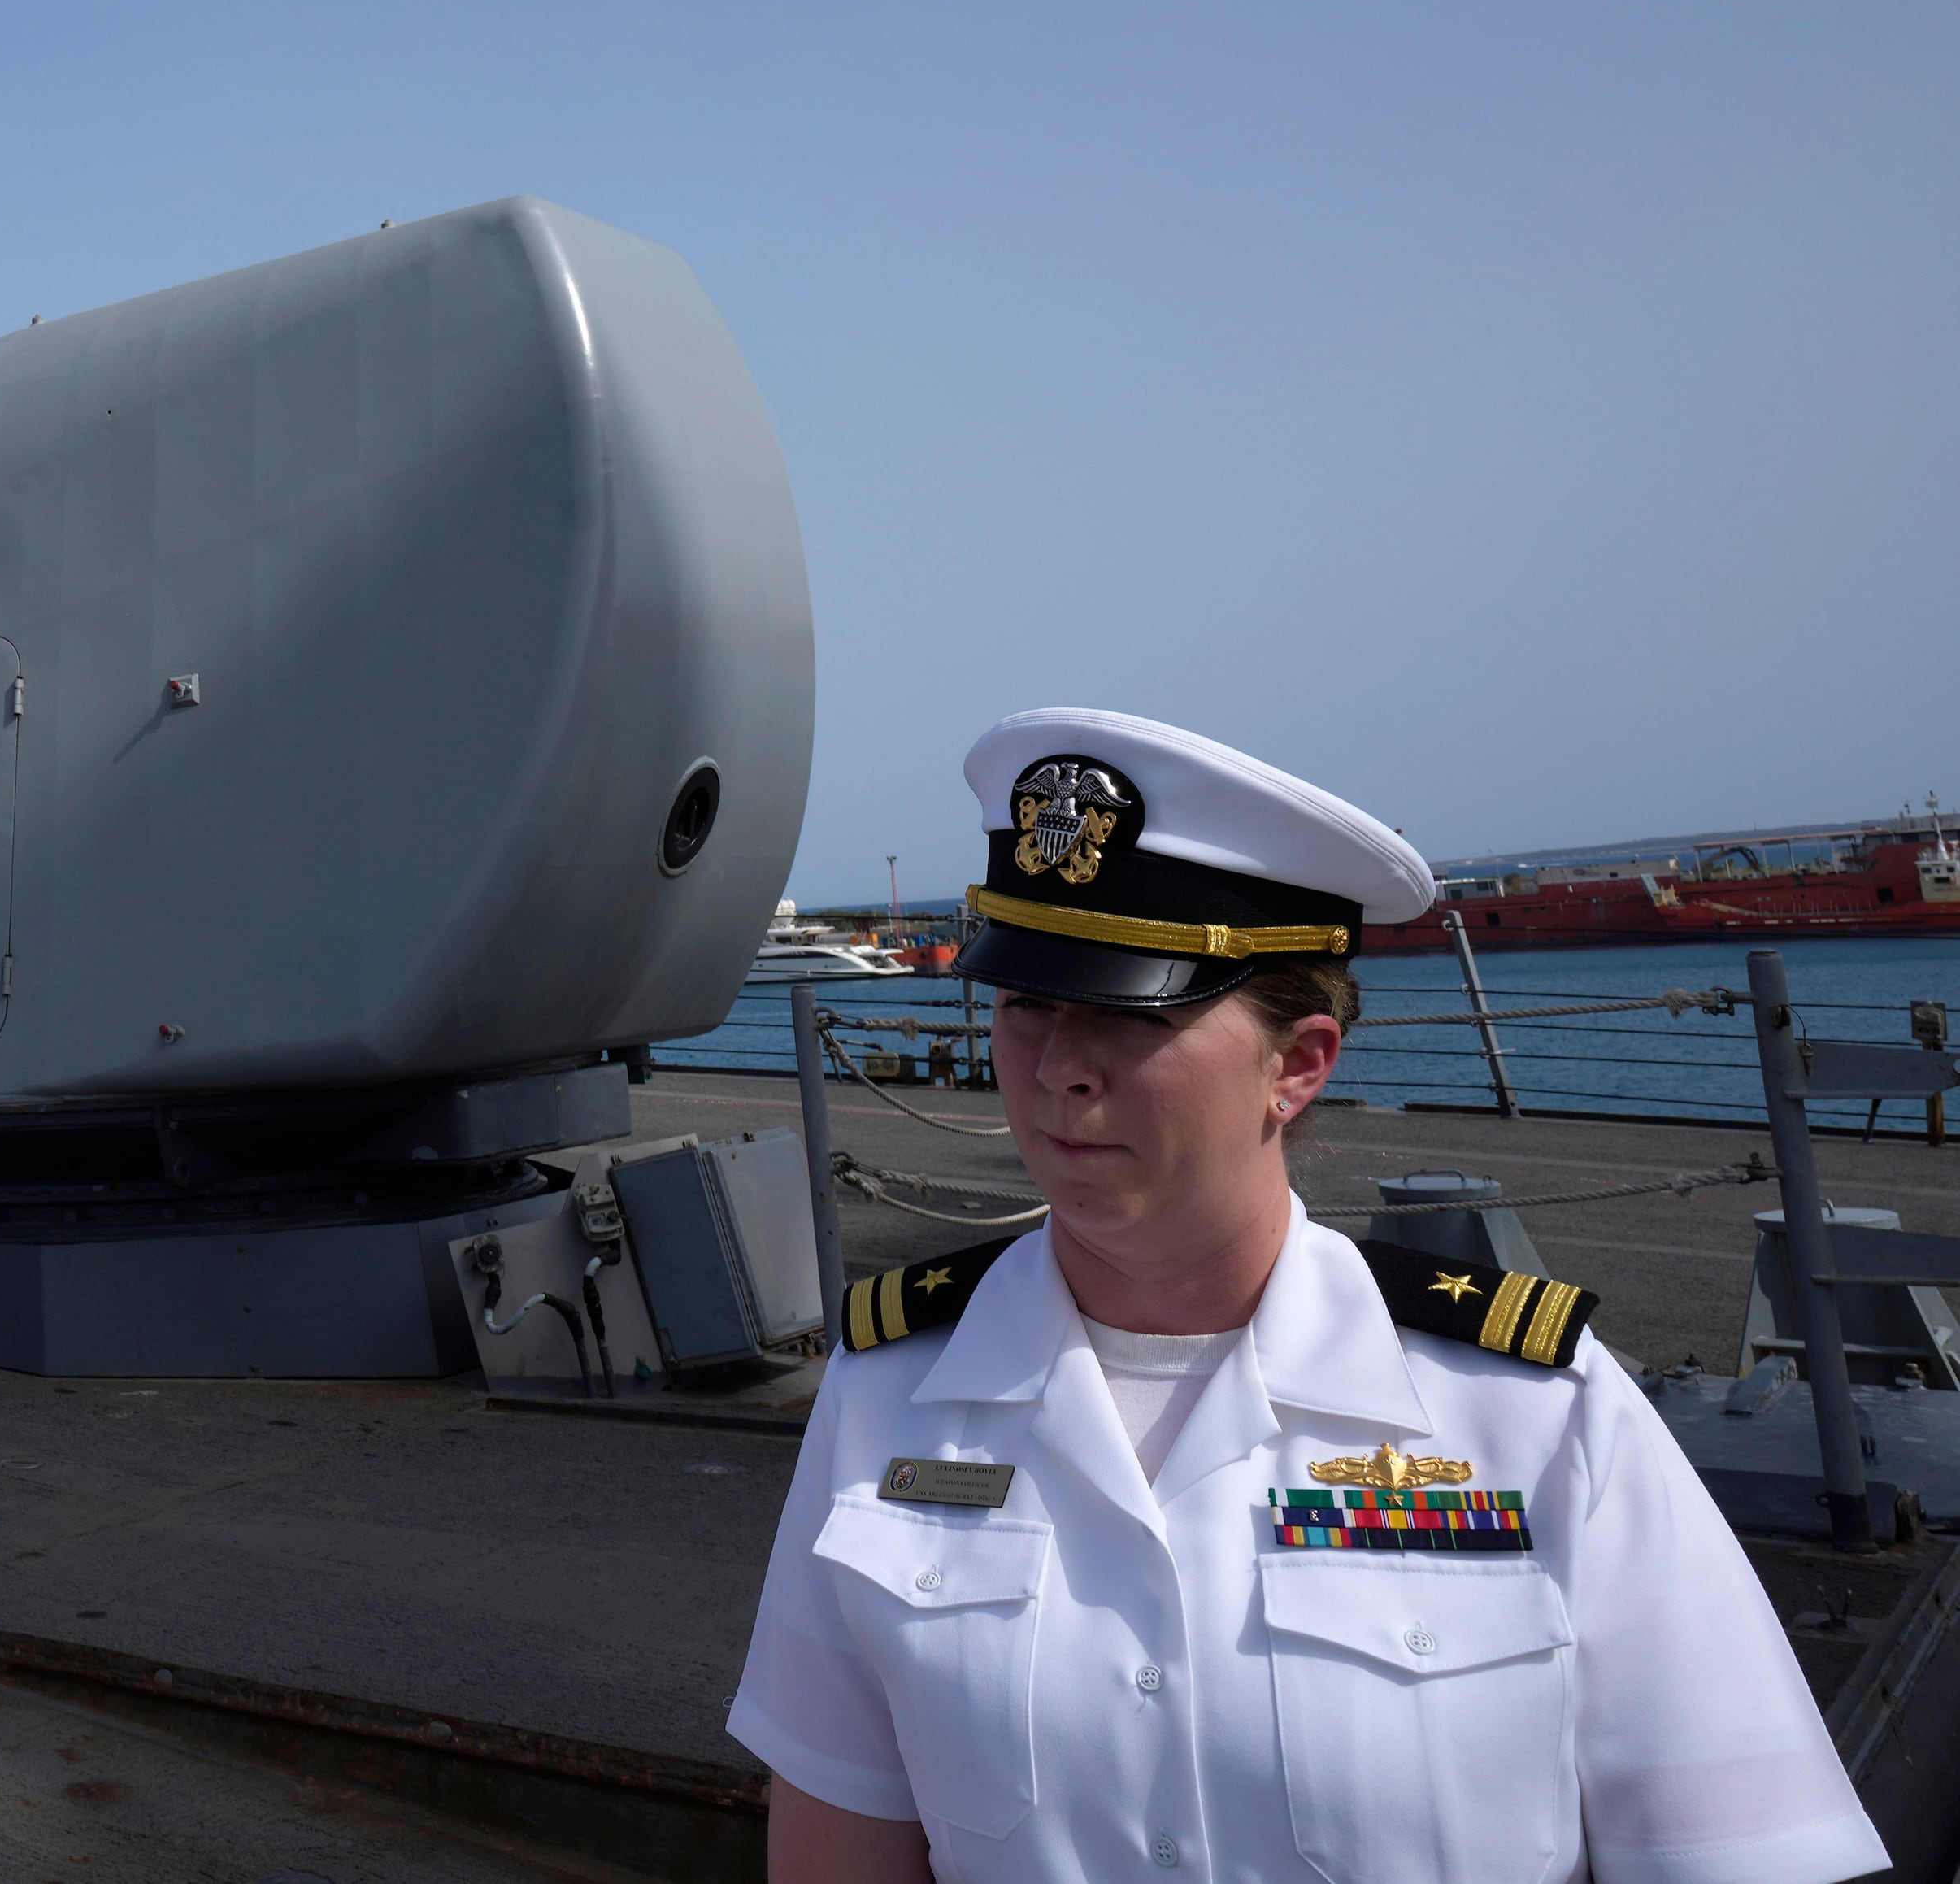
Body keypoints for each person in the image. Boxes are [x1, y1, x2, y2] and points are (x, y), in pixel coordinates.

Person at [733, 707, 1883, 1884]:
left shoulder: (1532, 1411)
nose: (1057, 1064)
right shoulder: (890, 1392)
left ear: (1299, 1062)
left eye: (1130, 1007)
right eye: (1024, 1001)